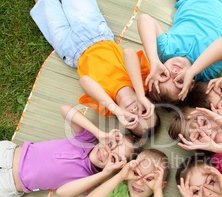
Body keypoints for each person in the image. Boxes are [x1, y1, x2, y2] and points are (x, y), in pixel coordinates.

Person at [30, 0, 159, 138]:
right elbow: (128, 53)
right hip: (95, 33)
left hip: (71, 50)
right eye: (144, 112)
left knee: (48, 9)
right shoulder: (141, 81)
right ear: (149, 102)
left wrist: (117, 111)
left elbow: (85, 81)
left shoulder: (107, 108)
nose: (135, 111)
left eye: (133, 120)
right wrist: (140, 95)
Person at [0, 105, 139, 197]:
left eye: (113, 158)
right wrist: (99, 134)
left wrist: (105, 174)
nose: (105, 153)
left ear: (116, 168)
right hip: (8, 153)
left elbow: (62, 193)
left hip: (10, 184)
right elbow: (65, 110)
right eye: (109, 145)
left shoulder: (89, 180)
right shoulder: (85, 139)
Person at [137, 0, 222, 106]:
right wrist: (192, 71)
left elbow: (144, 19)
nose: (174, 72)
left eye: (164, 74)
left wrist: (154, 60)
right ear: (190, 84)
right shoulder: (206, 71)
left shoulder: (165, 53)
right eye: (179, 81)